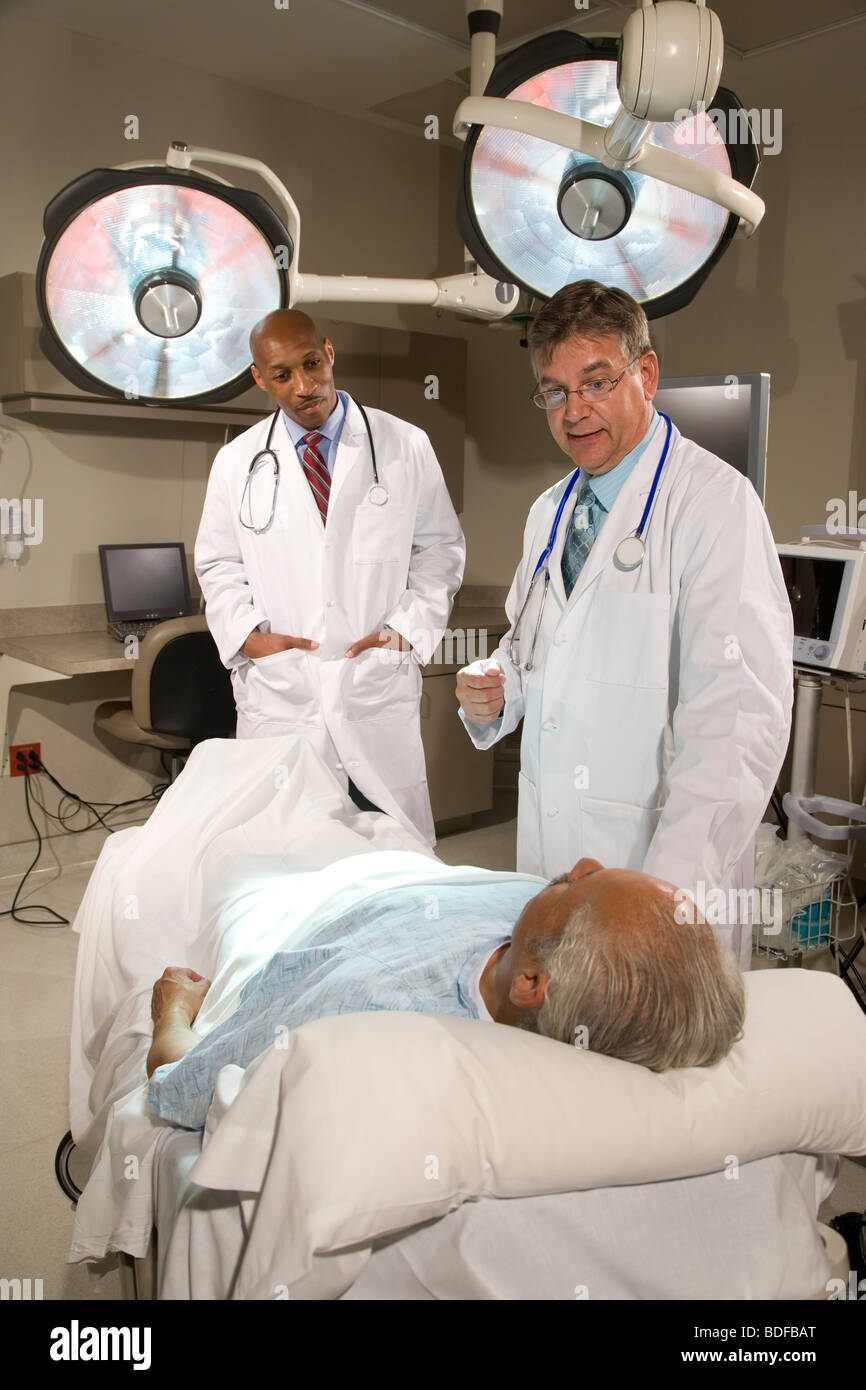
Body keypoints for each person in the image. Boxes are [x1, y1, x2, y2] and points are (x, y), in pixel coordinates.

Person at [455, 280, 793, 968]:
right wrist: (498, 687)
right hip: (553, 867)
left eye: (596, 382)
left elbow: (736, 726)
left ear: (646, 374)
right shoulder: (550, 512)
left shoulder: (714, 505)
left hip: (658, 878)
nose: (574, 411)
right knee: (560, 1060)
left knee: (653, 1064)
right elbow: (531, 648)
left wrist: (663, 897)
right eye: (553, 391)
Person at [146, 855, 745, 1130]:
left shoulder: (363, 1016)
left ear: (532, 984)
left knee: (214, 854)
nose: (582, 861)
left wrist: (173, 1012)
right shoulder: (533, 914)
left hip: (296, 893)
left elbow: (187, 1086)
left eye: (577, 888)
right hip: (394, 867)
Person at [195, 309, 465, 845]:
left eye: (312, 364)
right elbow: (218, 565)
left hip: (372, 689)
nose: (304, 387)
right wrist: (249, 638)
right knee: (285, 858)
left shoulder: (404, 445)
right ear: (259, 378)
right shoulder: (236, 461)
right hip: (283, 695)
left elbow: (440, 550)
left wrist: (407, 631)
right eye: (282, 375)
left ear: (329, 352)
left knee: (391, 856)